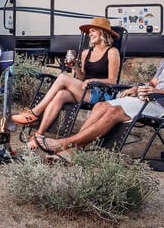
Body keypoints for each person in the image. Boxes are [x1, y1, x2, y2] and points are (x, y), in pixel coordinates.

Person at [35, 20, 164, 162]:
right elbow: (153, 82)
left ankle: (64, 145)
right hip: (152, 100)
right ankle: (73, 152)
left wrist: (160, 92)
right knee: (101, 106)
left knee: (115, 112)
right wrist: (137, 88)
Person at [11, 17, 121, 150]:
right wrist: (75, 67)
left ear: (103, 33)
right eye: (89, 32)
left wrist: (93, 81)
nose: (90, 34)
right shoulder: (86, 53)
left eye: (93, 31)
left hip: (102, 93)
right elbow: (82, 78)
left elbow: (113, 81)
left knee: (63, 77)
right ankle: (38, 135)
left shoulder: (112, 52)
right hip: (84, 90)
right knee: (61, 94)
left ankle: (34, 113)